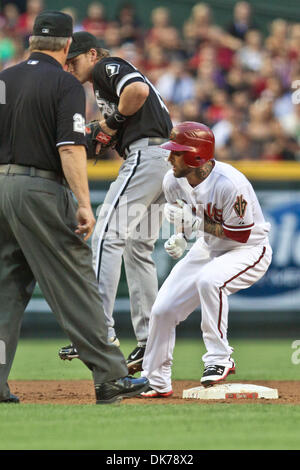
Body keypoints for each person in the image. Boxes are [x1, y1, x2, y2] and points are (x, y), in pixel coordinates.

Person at [0, 10, 149, 404]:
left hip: (1, 189)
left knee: (6, 291)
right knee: (78, 281)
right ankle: (112, 377)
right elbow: (69, 147)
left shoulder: (3, 80)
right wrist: (84, 203)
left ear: (31, 40)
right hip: (39, 189)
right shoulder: (65, 83)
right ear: (67, 46)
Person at [58, 31, 172, 373]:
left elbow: (135, 92)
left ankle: (98, 332)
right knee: (138, 247)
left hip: (147, 154)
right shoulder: (101, 81)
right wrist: (103, 131)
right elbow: (120, 118)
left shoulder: (107, 65)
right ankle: (149, 342)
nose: (69, 68)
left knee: (107, 235)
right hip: (161, 158)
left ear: (92, 54)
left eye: (73, 61)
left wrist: (112, 121)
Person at [139, 121, 272, 397]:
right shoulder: (172, 180)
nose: (169, 157)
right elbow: (186, 215)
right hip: (208, 247)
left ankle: (220, 358)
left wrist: (196, 224)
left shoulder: (229, 183)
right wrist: (181, 236)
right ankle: (155, 380)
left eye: (176, 152)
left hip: (249, 250)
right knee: (163, 309)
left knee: (210, 281)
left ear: (196, 155)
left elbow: (241, 234)